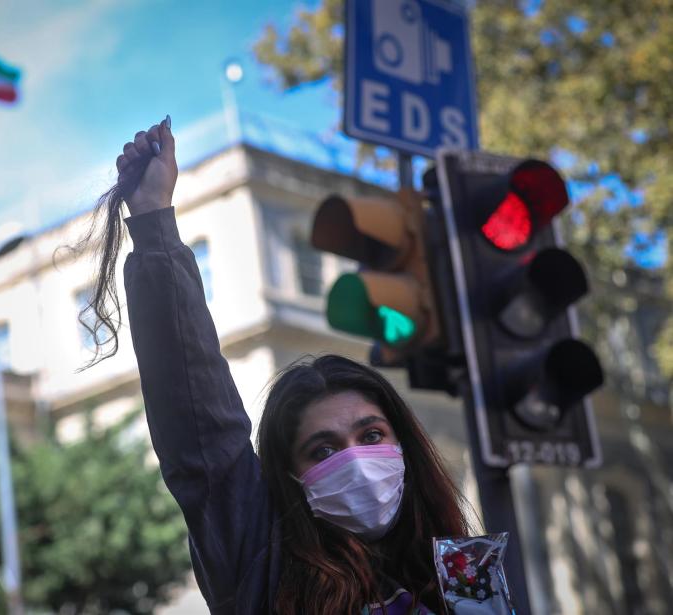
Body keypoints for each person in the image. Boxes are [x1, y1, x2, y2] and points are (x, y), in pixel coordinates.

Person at [106, 118, 471, 614]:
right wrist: (153, 223)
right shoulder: (264, 563)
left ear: (404, 444)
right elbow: (200, 424)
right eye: (323, 450)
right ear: (291, 477)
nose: (358, 463)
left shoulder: (467, 582)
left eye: (370, 436)